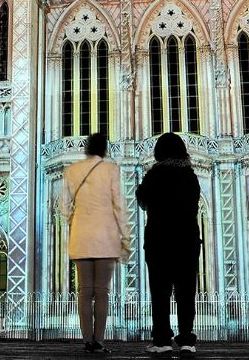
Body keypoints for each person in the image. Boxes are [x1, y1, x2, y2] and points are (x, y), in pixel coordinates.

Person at [58, 133, 131, 353]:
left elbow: (63, 206)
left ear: (87, 149)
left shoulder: (72, 171)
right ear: (104, 150)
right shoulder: (111, 170)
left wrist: (76, 219)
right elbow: (120, 207)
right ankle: (99, 340)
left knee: (84, 291)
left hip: (81, 237)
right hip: (105, 239)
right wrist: (126, 238)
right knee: (101, 292)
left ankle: (87, 339)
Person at [136, 133, 201, 356]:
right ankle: (186, 340)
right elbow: (194, 203)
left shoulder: (154, 176)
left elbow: (142, 200)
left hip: (159, 242)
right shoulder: (190, 176)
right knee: (185, 292)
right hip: (186, 241)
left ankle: (162, 339)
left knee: (160, 293)